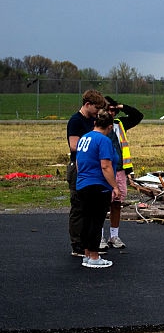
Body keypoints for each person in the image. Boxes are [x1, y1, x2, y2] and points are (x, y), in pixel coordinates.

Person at [75, 109, 121, 268]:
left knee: (87, 220)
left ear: (95, 123)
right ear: (109, 127)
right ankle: (95, 256)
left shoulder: (84, 138)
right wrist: (115, 186)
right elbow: (105, 165)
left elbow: (78, 162)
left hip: (82, 184)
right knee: (96, 220)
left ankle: (87, 254)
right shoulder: (104, 140)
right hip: (98, 185)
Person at [66, 89, 106, 257]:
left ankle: (89, 244)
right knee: (78, 206)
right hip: (78, 167)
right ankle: (77, 245)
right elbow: (74, 145)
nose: (98, 111)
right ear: (87, 104)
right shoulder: (76, 121)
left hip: (91, 168)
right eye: (96, 107)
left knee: (90, 208)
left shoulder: (93, 120)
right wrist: (93, 142)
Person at [100, 95, 143, 249]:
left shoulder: (119, 124)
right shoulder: (96, 125)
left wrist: (120, 106)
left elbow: (138, 116)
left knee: (117, 203)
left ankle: (114, 236)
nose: (111, 113)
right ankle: (99, 237)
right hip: (103, 170)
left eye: (113, 110)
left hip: (119, 170)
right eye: (108, 109)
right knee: (101, 205)